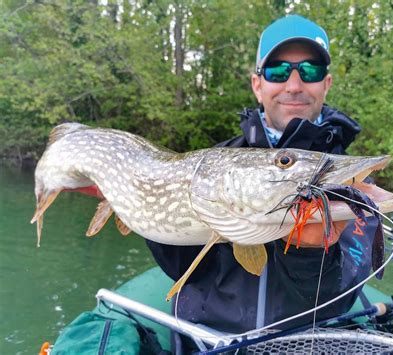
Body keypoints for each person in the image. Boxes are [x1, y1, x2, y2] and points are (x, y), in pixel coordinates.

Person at [146, 14, 378, 341]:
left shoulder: (347, 185)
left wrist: (310, 254)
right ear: (258, 85)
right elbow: (181, 265)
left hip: (300, 345)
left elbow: (334, 303)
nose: (294, 85)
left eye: (309, 71)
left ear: (326, 84)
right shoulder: (215, 163)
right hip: (209, 341)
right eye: (278, 71)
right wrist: (138, 202)